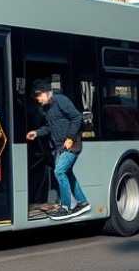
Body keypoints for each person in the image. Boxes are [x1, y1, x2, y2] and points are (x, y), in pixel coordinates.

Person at [26, 80, 90, 221]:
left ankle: (65, 208)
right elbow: (49, 127)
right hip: (61, 146)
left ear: (48, 92)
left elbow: (77, 117)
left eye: (39, 95)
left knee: (59, 171)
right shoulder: (47, 109)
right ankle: (83, 202)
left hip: (72, 144)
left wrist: (70, 138)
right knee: (67, 173)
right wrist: (37, 132)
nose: (38, 99)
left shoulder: (61, 100)